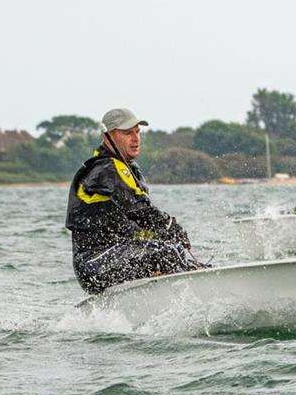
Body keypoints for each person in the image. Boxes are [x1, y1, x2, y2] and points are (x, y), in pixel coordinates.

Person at [66, 107, 203, 295]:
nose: (135, 138)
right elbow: (140, 211)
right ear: (108, 136)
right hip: (94, 264)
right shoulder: (105, 169)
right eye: (127, 133)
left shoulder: (127, 168)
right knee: (168, 251)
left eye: (137, 132)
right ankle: (191, 295)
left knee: (173, 250)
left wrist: (171, 237)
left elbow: (141, 225)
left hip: (120, 254)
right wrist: (171, 227)